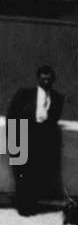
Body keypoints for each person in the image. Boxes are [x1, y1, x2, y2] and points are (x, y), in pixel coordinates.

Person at [4, 64, 64, 215]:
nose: (46, 81)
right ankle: (23, 206)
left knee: (36, 173)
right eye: (43, 78)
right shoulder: (24, 94)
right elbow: (11, 115)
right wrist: (13, 141)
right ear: (38, 79)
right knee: (21, 172)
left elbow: (53, 121)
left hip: (41, 138)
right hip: (23, 134)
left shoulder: (57, 98)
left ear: (53, 80)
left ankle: (31, 204)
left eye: (49, 79)